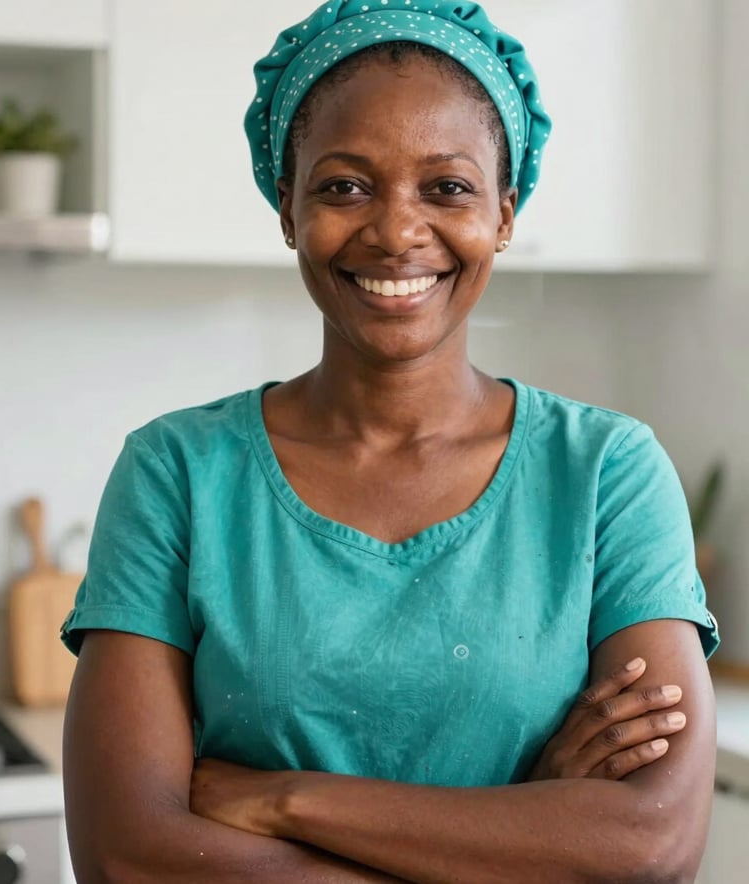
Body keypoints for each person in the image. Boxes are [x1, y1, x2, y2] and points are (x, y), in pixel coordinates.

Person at [60, 1, 720, 881]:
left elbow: (652, 845)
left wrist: (282, 800)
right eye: (343, 186)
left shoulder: (606, 472)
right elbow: (127, 855)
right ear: (288, 210)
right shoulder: (177, 472)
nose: (396, 231)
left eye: (447, 187)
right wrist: (524, 828)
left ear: (505, 214)